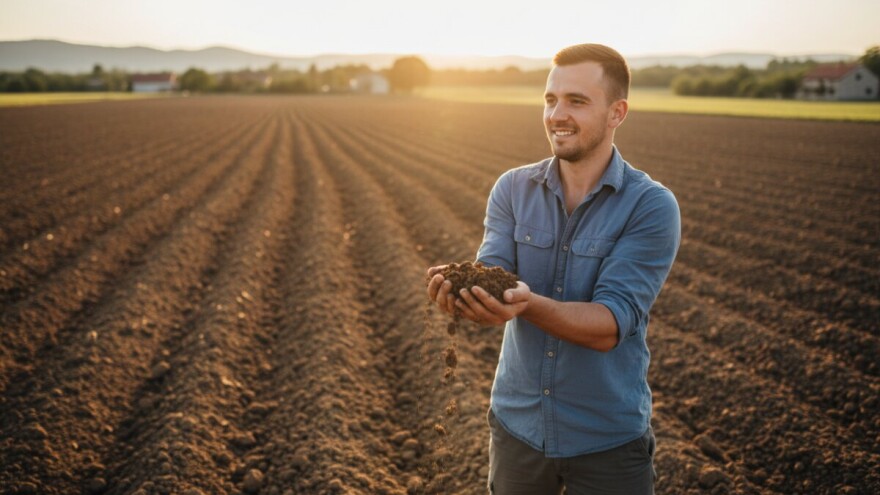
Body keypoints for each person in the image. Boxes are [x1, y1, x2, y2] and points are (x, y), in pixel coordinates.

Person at [426, 43, 681, 495]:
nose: (556, 115)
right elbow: (493, 273)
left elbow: (609, 325)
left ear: (617, 112)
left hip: (607, 439)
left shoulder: (650, 206)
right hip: (518, 428)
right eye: (550, 100)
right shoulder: (513, 188)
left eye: (576, 101)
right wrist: (468, 295)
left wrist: (525, 305)